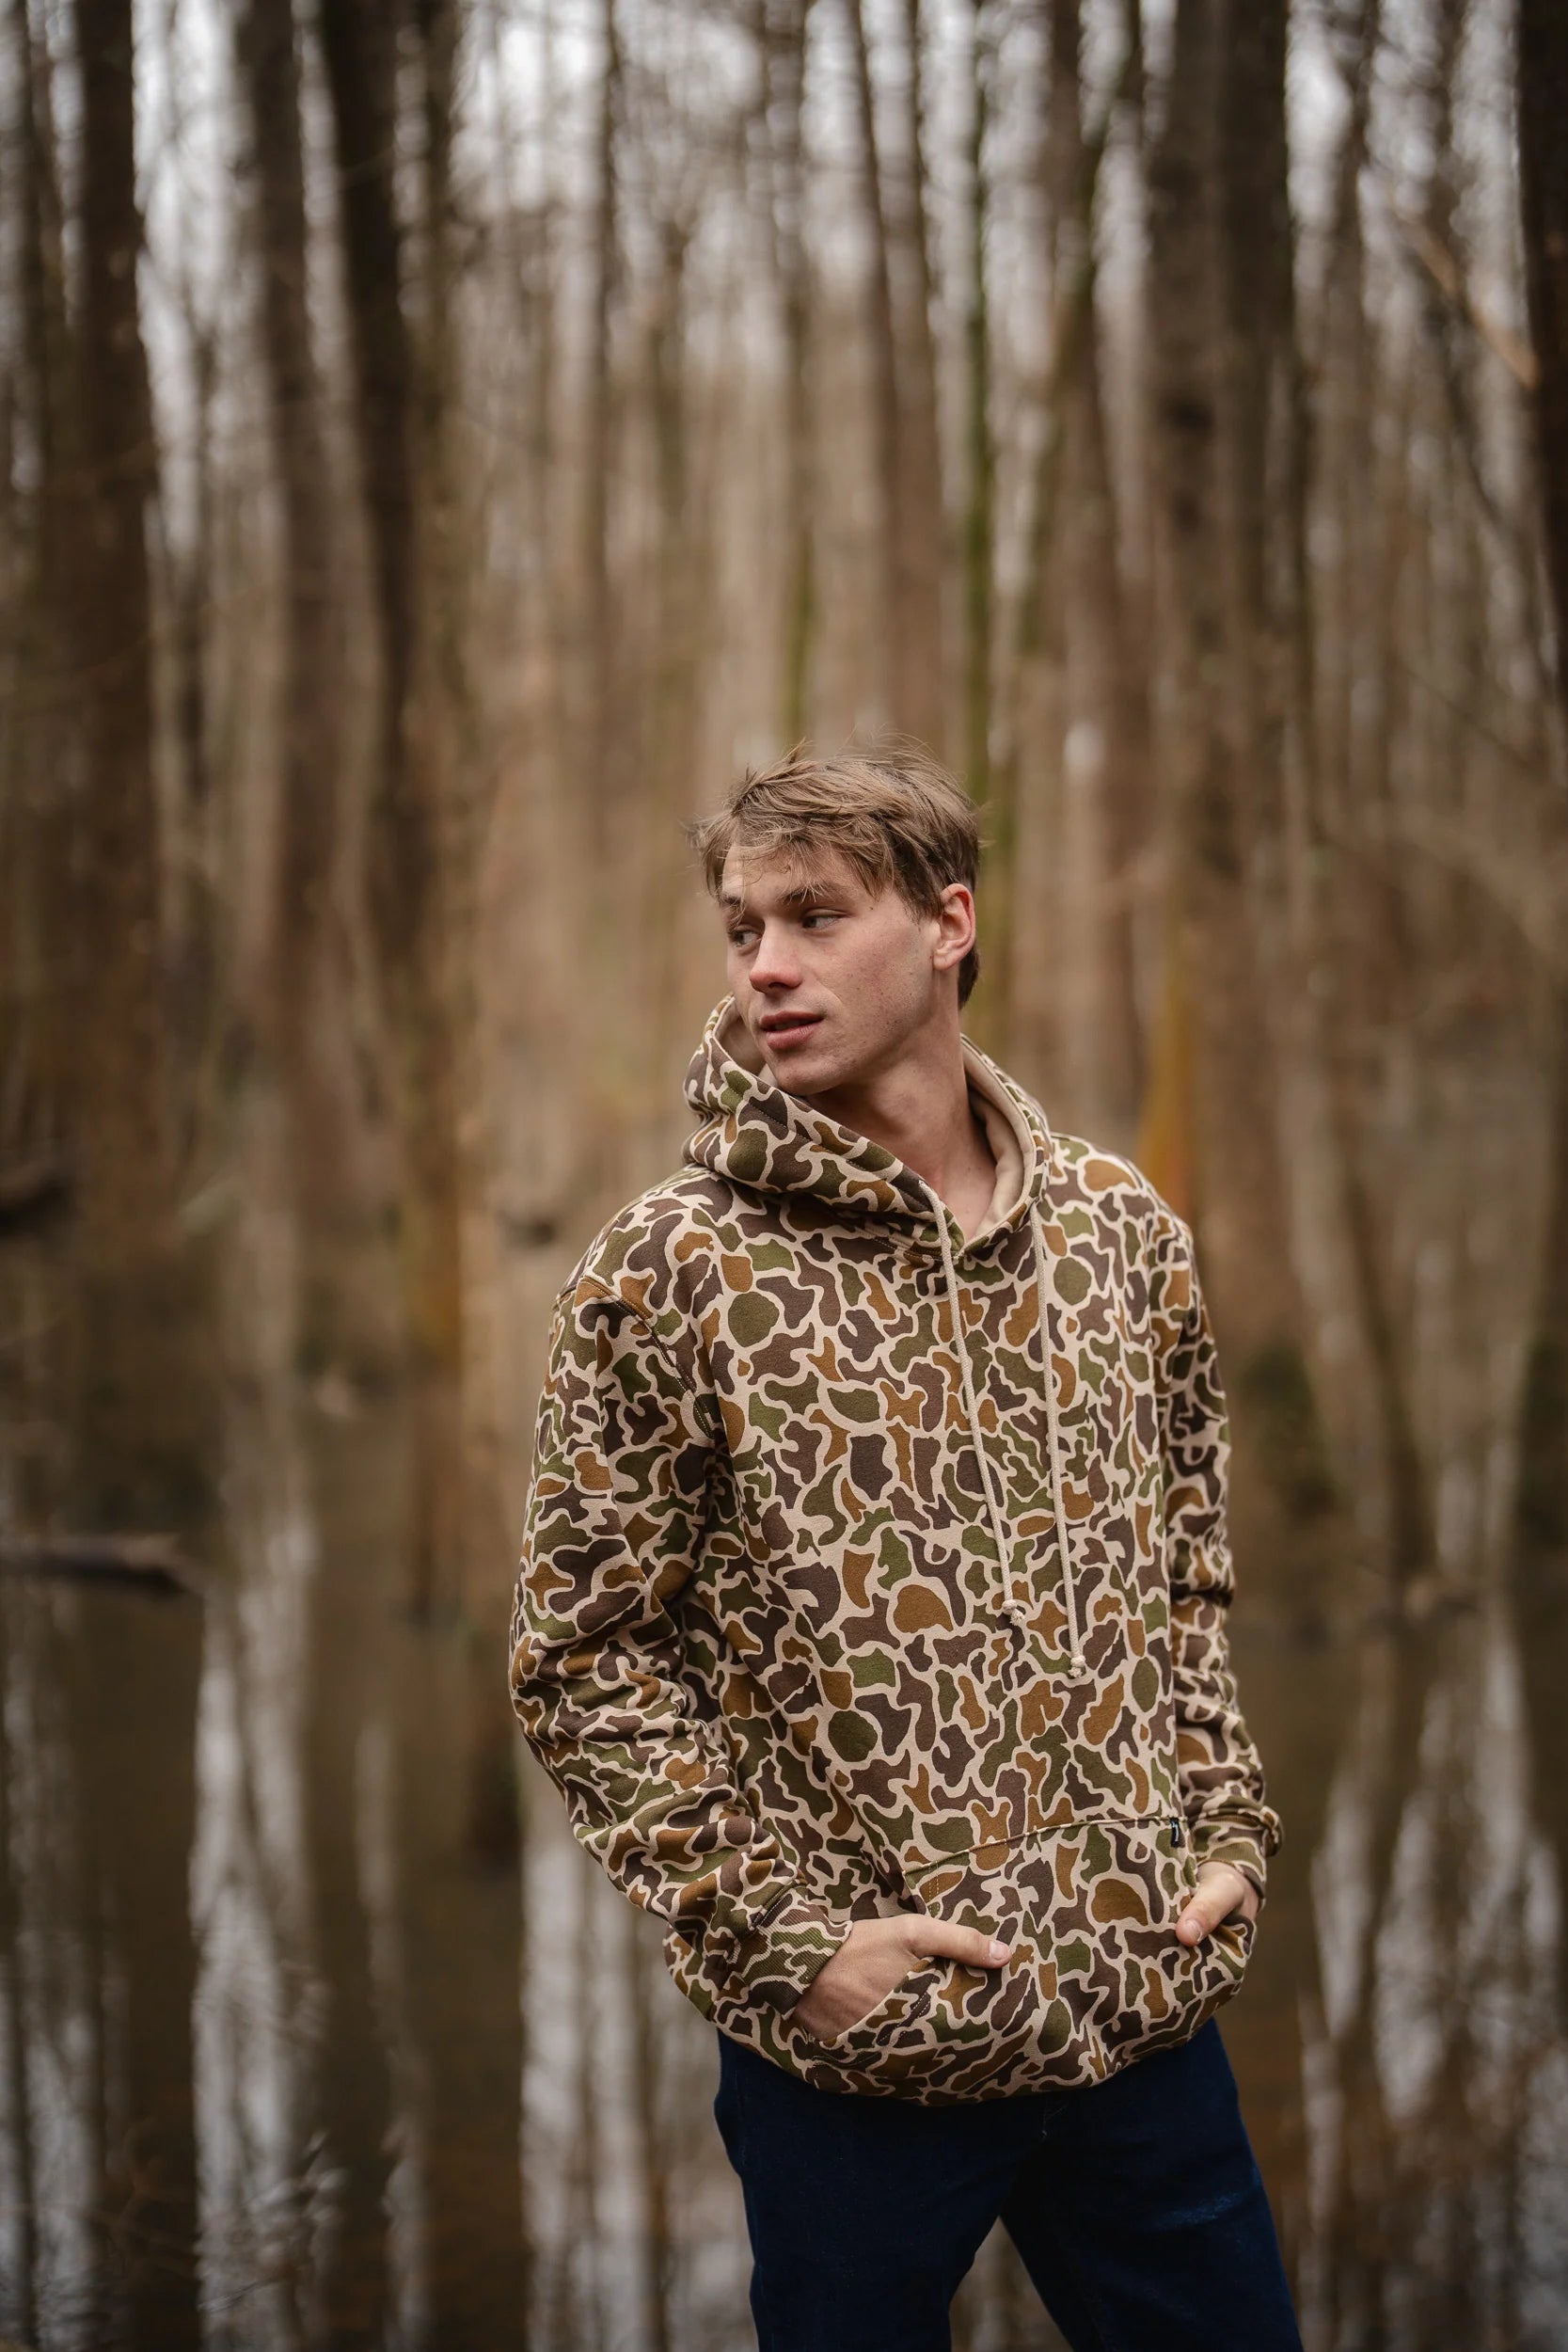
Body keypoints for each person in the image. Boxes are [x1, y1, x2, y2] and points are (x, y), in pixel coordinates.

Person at [507, 745, 1303, 2351]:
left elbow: (1185, 1574)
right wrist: (792, 1947)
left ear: (949, 923)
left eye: (815, 916)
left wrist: (1221, 1827)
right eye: (744, 928)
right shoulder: (672, 1271)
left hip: (1139, 2006)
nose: (766, 966)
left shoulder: (1120, 1234)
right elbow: (583, 1663)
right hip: (860, 2061)